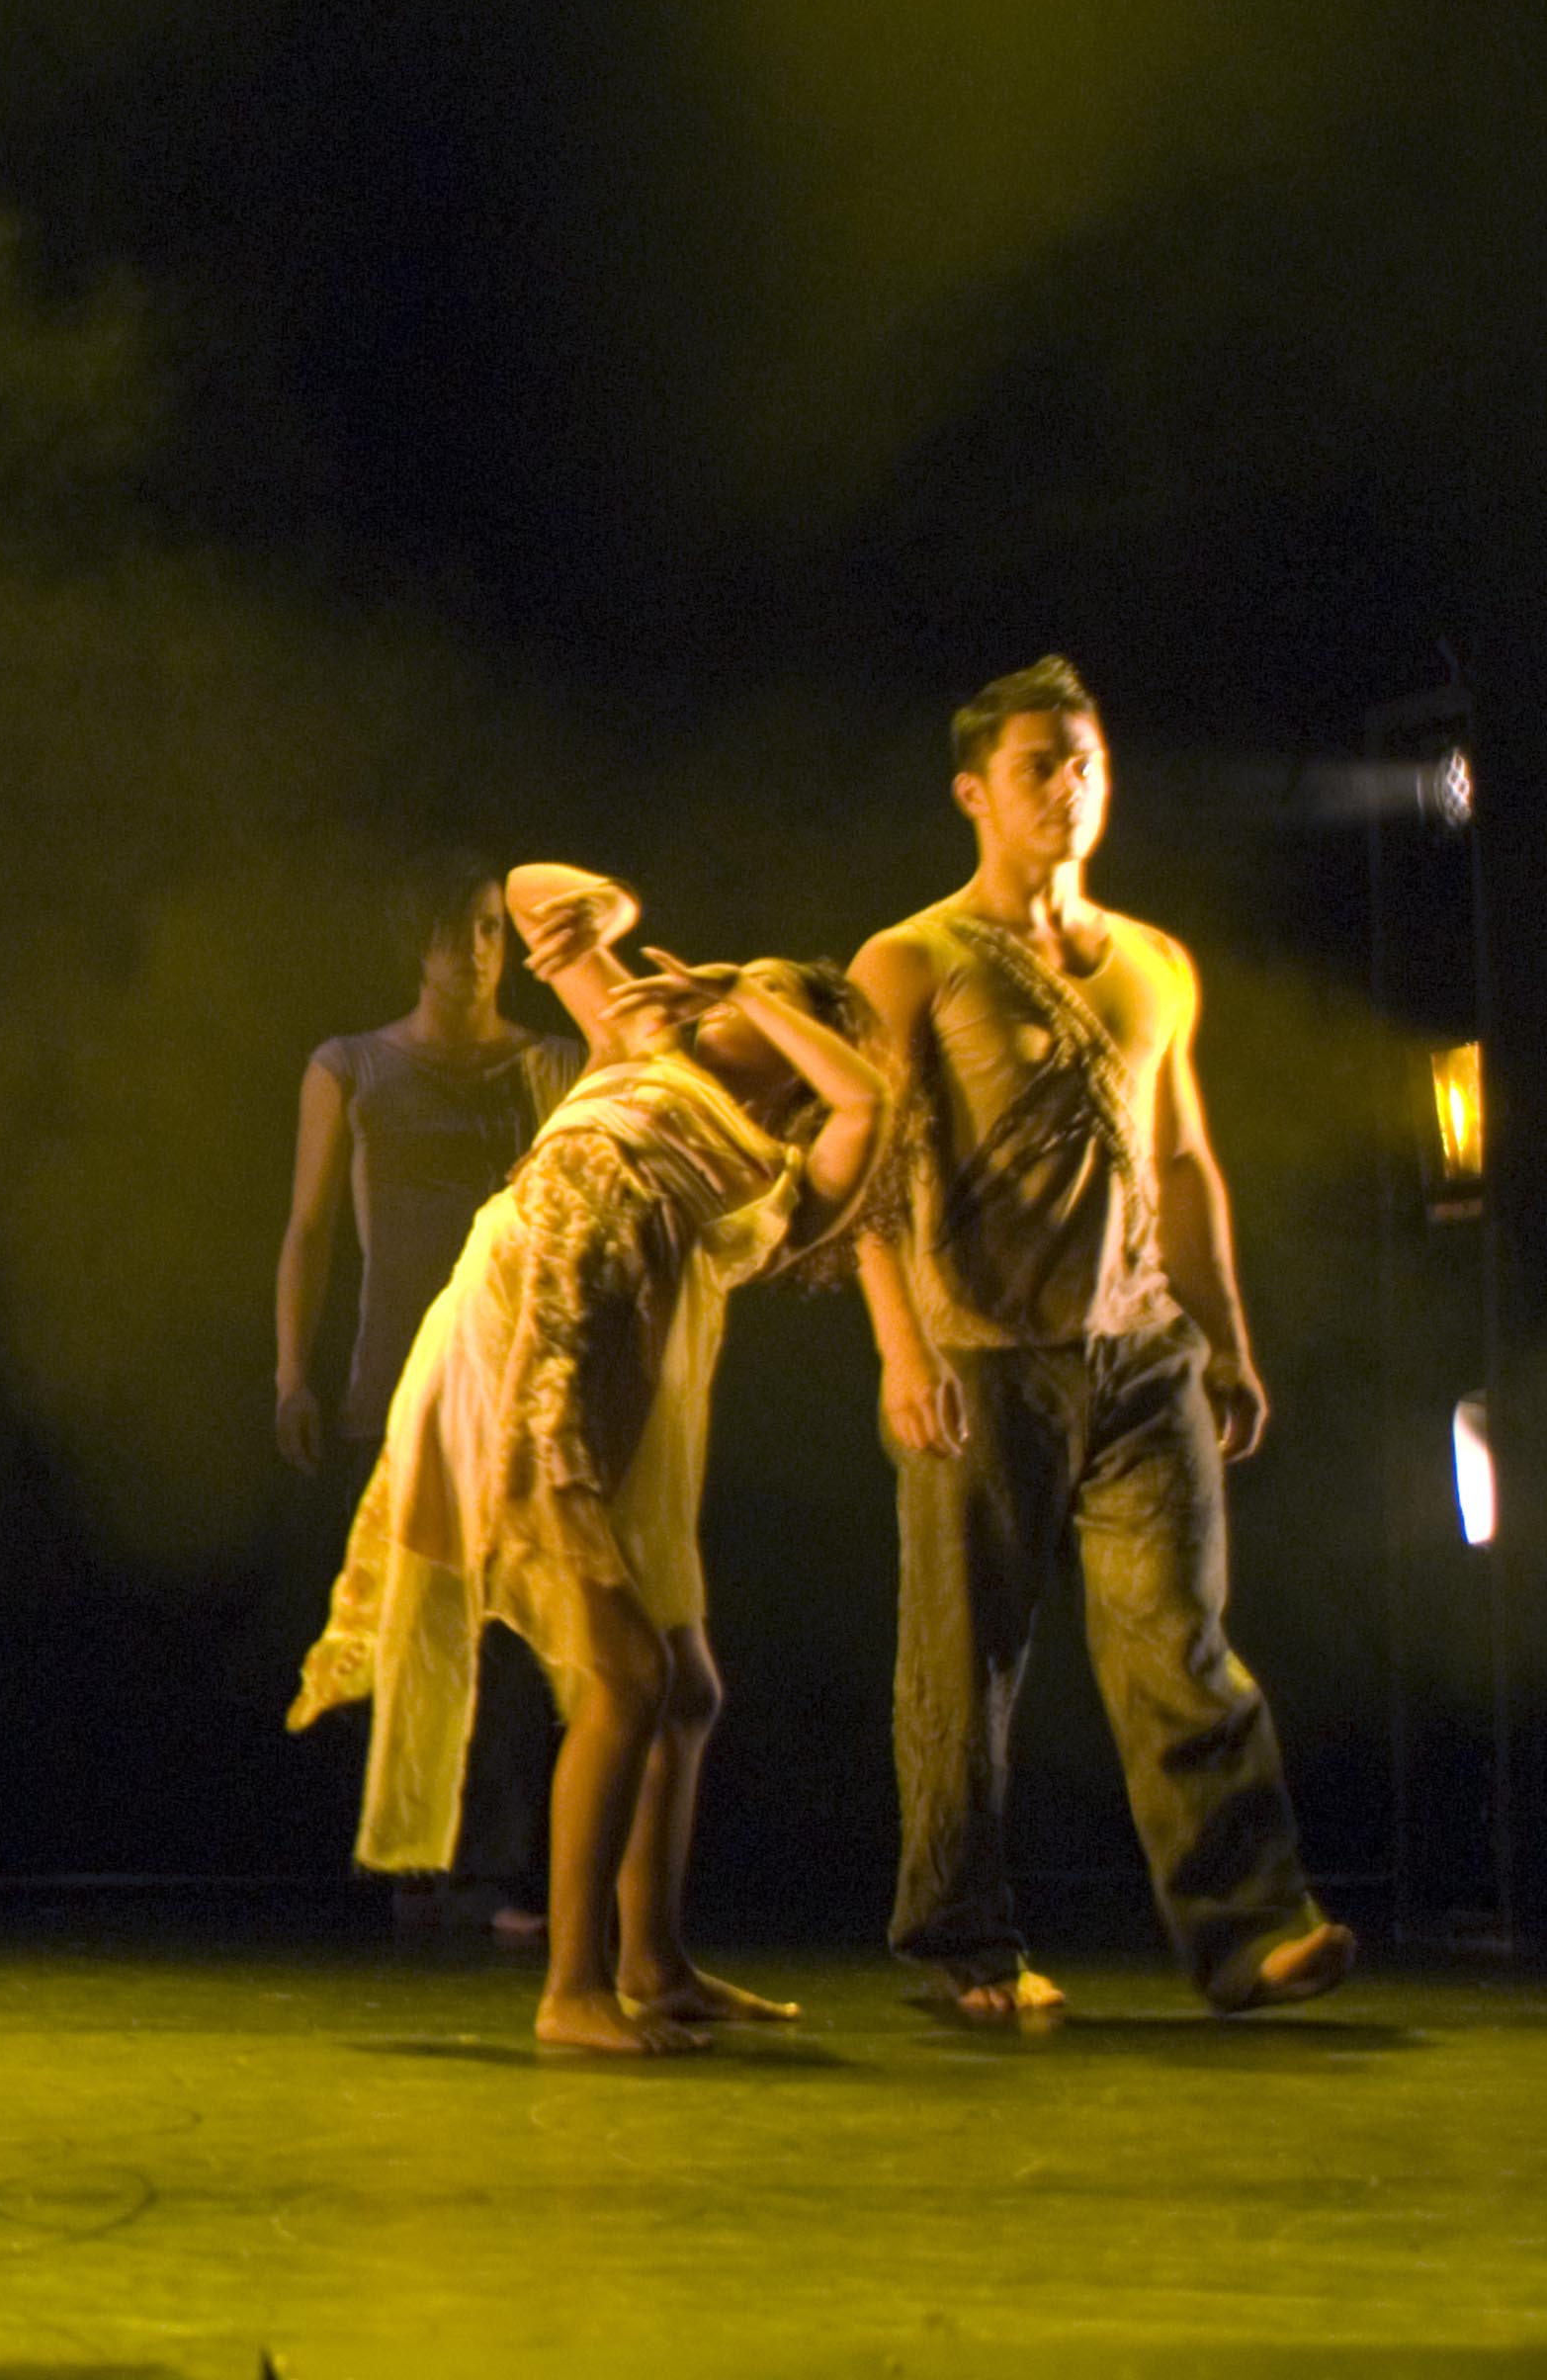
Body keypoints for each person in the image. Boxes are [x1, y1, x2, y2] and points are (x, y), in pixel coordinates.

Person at [293, 864, 886, 2053]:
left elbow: (866, 1095)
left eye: (769, 998)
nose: (727, 993)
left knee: (683, 1686)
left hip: (598, 1383)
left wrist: (751, 993)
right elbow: (531, 894)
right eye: (740, 987)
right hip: (520, 1363)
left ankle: (652, 1964)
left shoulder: (780, 1165)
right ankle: (571, 1988)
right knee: (624, 1676)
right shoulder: (637, 1043)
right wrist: (617, 924)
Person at [848, 658, 1351, 2021]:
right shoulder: (913, 959)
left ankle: (1249, 1935)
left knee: (1177, 1643)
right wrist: (901, 1350)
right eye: (1037, 766)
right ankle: (958, 1947)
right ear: (973, 792)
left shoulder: (1152, 962)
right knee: (960, 1665)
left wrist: (1222, 1338)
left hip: (1138, 1354)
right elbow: (865, 1180)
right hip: (981, 1356)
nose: (1067, 787)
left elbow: (1180, 1157)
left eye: (1085, 763)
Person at [273, 857, 582, 1937]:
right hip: (394, 1376)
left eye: (490, 929)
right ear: (419, 944)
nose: (475, 952)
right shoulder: (351, 1066)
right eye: (454, 932)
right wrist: (291, 1370)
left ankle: (498, 1871)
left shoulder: (547, 1064)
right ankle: (410, 1858)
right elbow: (309, 1227)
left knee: (513, 1632)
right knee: (406, 1618)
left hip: (514, 1380)